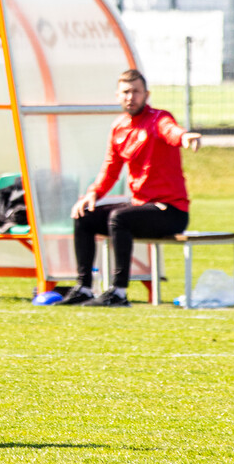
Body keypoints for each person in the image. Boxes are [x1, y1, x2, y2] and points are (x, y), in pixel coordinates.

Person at [56, 69, 202, 307]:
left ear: (147, 94)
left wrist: (184, 137)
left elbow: (170, 130)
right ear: (117, 95)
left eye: (136, 91)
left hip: (170, 212)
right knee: (85, 215)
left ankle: (119, 292)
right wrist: (92, 193)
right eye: (126, 92)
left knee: (119, 217)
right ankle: (83, 287)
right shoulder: (119, 127)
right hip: (140, 207)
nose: (130, 97)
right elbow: (110, 169)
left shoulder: (158, 119)